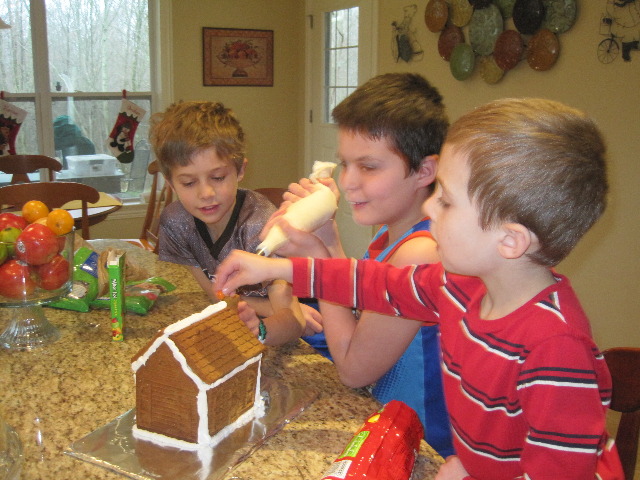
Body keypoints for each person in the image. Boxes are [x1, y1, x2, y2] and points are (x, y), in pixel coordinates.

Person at [214, 98, 624, 479]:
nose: (429, 206)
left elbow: (561, 471)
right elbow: (375, 284)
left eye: (447, 201)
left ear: (510, 240)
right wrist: (275, 266)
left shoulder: (556, 349)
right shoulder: (458, 287)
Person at [267, 72, 454, 457]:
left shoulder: (420, 254)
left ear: (424, 171)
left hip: (421, 448)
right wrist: (327, 235)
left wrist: (319, 266)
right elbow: (358, 310)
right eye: (345, 164)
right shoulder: (391, 235)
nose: (348, 182)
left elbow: (354, 369)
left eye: (368, 167)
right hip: (384, 422)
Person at [152, 100, 322, 346]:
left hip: (310, 319)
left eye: (218, 177)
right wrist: (267, 310)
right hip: (254, 313)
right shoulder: (175, 222)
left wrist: (264, 324)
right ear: (170, 183)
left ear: (240, 170)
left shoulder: (260, 225)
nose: (206, 193)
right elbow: (215, 293)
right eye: (189, 183)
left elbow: (294, 320)